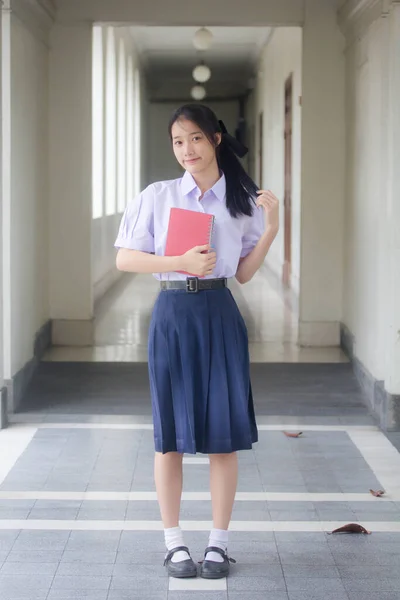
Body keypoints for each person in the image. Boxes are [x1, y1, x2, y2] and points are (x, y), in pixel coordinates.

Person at [114, 104, 279, 579]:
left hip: (219, 312)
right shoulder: (158, 196)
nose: (187, 150)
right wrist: (180, 260)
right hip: (172, 312)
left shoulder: (242, 200)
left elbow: (243, 273)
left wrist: (271, 229)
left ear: (216, 139)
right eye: (178, 142)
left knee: (222, 437)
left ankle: (218, 545)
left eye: (196, 139)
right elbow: (126, 259)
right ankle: (174, 544)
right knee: (170, 438)